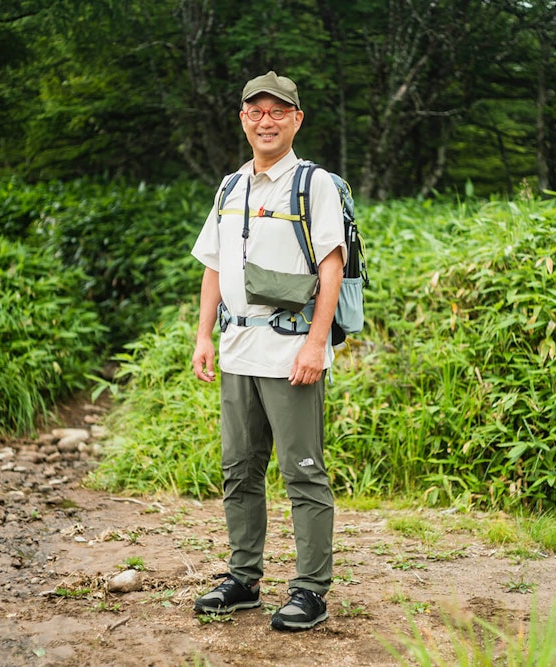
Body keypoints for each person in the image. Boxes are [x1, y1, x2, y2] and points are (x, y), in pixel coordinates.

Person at [189, 71, 346, 631]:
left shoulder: (314, 184)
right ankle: (243, 579)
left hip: (291, 351)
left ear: (296, 119)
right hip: (236, 348)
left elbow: (332, 266)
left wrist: (315, 342)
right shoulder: (230, 187)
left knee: (302, 470)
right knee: (239, 468)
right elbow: (213, 264)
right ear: (243, 119)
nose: (266, 120)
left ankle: (310, 591)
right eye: (255, 111)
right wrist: (203, 335)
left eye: (278, 111)